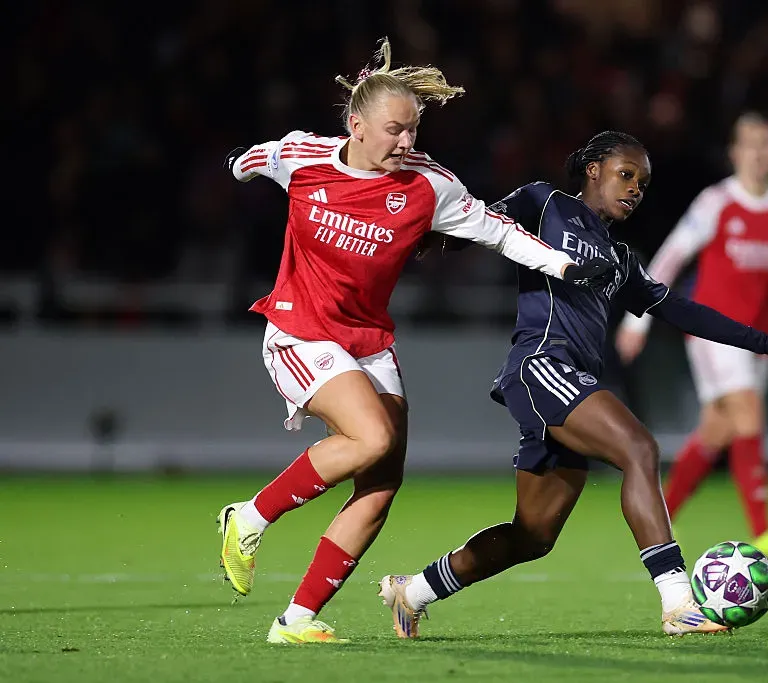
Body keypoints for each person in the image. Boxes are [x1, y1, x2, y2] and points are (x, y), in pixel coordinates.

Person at [215, 38, 616, 645]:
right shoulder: (304, 158)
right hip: (299, 329)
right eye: (394, 131)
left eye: (413, 131)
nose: (407, 142)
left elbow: (498, 231)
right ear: (356, 125)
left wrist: (563, 266)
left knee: (380, 485)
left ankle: (295, 620)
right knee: (369, 436)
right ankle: (248, 516)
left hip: (369, 341)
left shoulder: (430, 186)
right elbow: (246, 162)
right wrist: (246, 164)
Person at [377, 131, 768, 639]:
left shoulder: (621, 258)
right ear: (593, 169)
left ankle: (410, 592)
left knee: (533, 535)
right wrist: (417, 233)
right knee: (639, 447)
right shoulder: (543, 202)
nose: (636, 188)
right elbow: (473, 221)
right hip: (540, 365)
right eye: (626, 174)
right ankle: (679, 603)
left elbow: (682, 310)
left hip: (571, 382)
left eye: (643, 182)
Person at [615, 112, 768, 560]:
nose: (760, 154)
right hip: (713, 332)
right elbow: (670, 257)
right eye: (752, 145)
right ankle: (764, 531)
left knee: (719, 429)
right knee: (748, 410)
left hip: (760, 337)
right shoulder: (716, 202)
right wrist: (637, 320)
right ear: (735, 152)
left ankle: (661, 515)